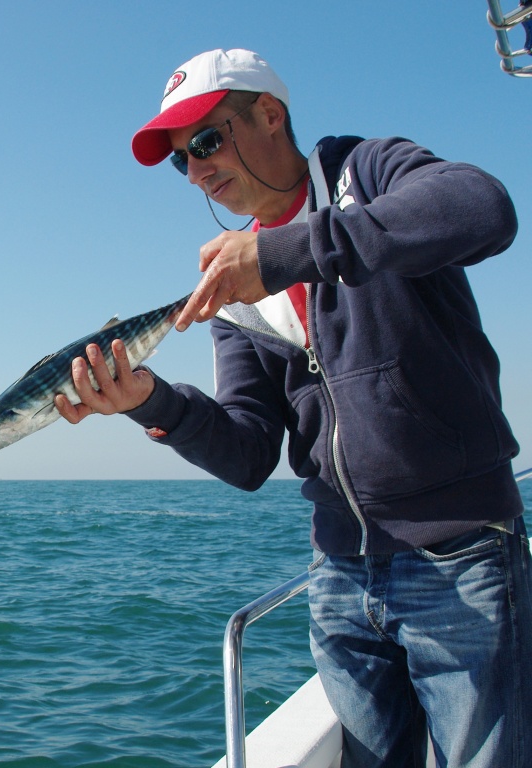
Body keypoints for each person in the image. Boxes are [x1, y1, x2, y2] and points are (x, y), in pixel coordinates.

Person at [54, 48, 531, 767]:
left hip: (460, 557)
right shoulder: (234, 285)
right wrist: (149, 401)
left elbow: (483, 209)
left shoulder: (363, 173)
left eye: (207, 141)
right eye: (184, 160)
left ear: (269, 115)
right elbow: (248, 453)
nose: (199, 169)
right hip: (339, 573)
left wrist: (286, 255)